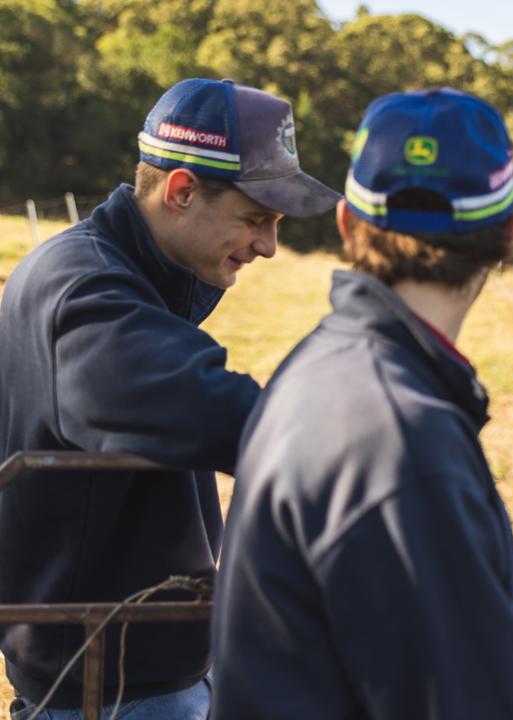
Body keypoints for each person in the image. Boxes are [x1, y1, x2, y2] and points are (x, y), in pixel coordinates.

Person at [210, 88, 513, 719]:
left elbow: (509, 663)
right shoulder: (403, 440)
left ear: (346, 222)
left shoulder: (329, 368)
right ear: (509, 235)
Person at [0, 78, 338, 718]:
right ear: (181, 192)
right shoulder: (87, 292)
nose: (268, 245)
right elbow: (213, 410)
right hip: (110, 688)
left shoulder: (111, 268)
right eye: (256, 218)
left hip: (130, 667)